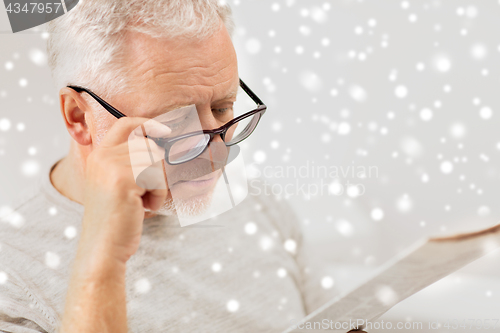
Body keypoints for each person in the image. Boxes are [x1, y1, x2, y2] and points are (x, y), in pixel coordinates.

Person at [0, 1, 335, 332]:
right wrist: (102, 257)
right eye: (177, 122)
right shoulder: (11, 278)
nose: (216, 156)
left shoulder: (257, 204)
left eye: (222, 108)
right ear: (79, 118)